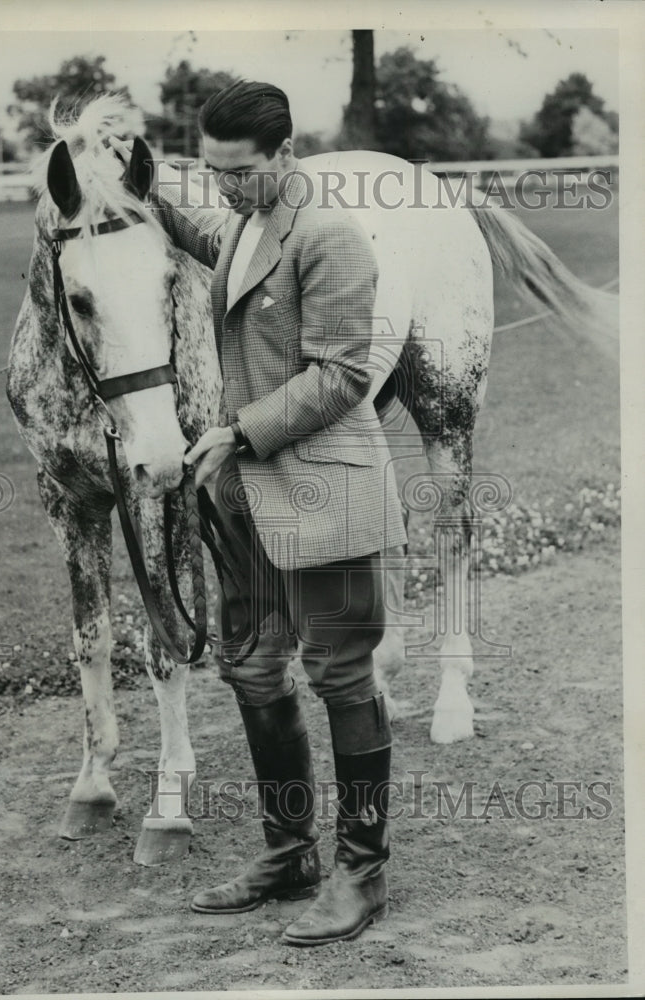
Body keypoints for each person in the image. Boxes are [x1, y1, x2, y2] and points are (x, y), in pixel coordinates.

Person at [111, 80, 407, 947]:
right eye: (213, 171)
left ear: (284, 153)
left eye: (238, 172)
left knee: (340, 675)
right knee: (250, 668)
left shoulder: (330, 235)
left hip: (327, 490)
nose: (225, 187)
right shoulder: (247, 218)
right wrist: (139, 180)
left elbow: (343, 375)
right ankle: (289, 853)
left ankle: (362, 873)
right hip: (244, 493)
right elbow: (213, 236)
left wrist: (237, 430)